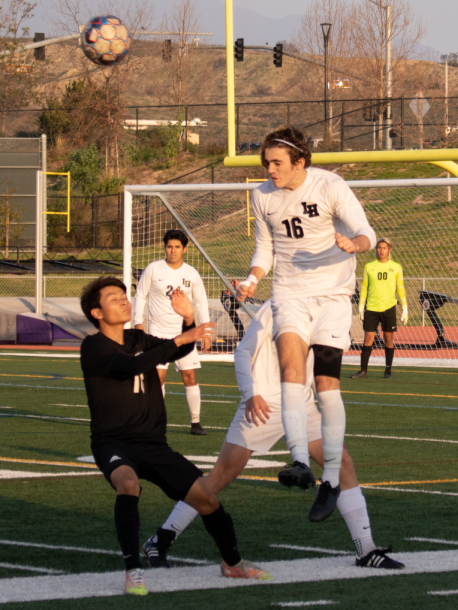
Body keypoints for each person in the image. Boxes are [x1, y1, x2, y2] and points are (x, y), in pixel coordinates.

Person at [141, 301, 405, 570]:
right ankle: (160, 540)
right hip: (264, 404)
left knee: (343, 465)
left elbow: (321, 364)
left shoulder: (333, 307)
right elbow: (243, 351)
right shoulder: (278, 305)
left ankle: (366, 549)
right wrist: (251, 394)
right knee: (218, 479)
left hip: (302, 404)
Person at [78, 277, 269, 596]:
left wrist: (189, 319)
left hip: (153, 445)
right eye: (114, 298)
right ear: (97, 313)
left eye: (125, 295)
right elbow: (131, 366)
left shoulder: (137, 337)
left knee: (207, 498)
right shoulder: (93, 346)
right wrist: (182, 337)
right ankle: (132, 571)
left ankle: (232, 563)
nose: (124, 300)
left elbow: (181, 349)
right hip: (113, 442)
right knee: (128, 483)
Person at [235, 126, 375, 522]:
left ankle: (331, 477)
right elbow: (265, 247)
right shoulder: (261, 195)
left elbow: (366, 231)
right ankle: (299, 460)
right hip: (289, 293)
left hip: (332, 297)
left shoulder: (330, 185)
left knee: (328, 388)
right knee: (291, 371)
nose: (270, 170)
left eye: (277, 162)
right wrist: (251, 279)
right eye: (266, 162)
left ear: (300, 161)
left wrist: (356, 244)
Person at [133, 229, 211, 436]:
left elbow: (201, 302)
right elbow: (140, 295)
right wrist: (137, 322)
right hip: (157, 334)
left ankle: (196, 422)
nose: (173, 251)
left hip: (185, 333)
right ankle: (156, 421)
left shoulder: (192, 273)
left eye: (177, 247)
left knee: (189, 376)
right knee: (157, 377)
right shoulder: (153, 269)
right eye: (169, 246)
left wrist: (206, 331)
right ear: (164, 247)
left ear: (184, 249)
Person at [352, 237, 408, 379]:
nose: (381, 250)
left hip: (389, 308)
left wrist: (405, 307)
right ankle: (363, 370)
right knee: (368, 337)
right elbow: (364, 288)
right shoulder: (369, 266)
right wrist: (361, 307)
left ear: (389, 250)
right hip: (371, 308)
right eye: (379, 248)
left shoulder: (396, 267)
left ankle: (388, 371)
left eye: (384, 248)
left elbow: (400, 288)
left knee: (388, 338)